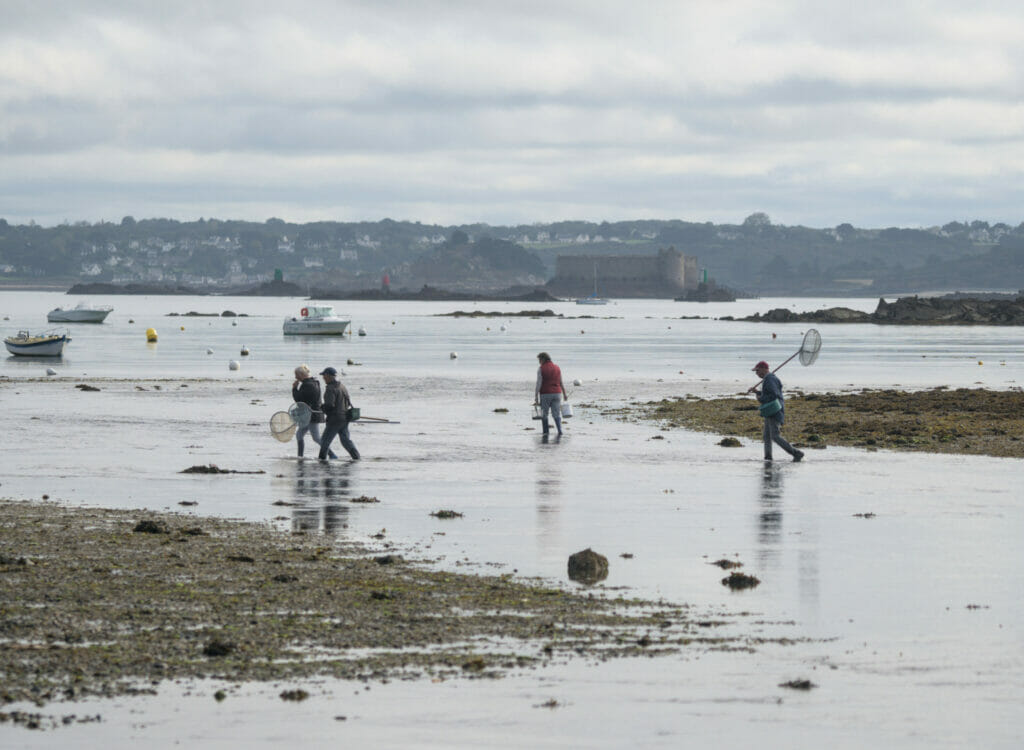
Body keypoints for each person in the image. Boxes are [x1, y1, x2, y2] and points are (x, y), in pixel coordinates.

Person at [751, 360, 804, 462]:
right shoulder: (769, 378)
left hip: (774, 410)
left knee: (775, 436)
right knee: (766, 436)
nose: (756, 373)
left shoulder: (770, 379)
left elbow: (773, 395)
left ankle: (796, 453)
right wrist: (757, 392)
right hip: (769, 411)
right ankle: (768, 458)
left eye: (757, 371)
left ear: (764, 369)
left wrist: (760, 398)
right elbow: (769, 393)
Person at [292, 364, 335, 459]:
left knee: (316, 438)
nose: (295, 377)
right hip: (309, 415)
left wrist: (294, 388)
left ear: (302, 375)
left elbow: (299, 400)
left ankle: (332, 454)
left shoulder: (308, 385)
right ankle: (300, 456)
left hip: (312, 415)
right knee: (299, 435)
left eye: (296, 375)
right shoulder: (313, 382)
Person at [318, 367, 361, 460]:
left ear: (329, 376)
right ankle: (357, 458)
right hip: (345, 418)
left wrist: (322, 407)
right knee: (345, 441)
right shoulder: (342, 386)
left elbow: (329, 405)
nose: (323, 378)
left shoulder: (330, 388)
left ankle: (321, 461)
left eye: (324, 376)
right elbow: (348, 402)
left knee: (325, 441)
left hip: (334, 419)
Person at [534, 352, 568, 437]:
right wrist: (564, 394)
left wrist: (536, 396)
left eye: (539, 360)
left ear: (543, 359)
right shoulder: (557, 368)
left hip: (545, 393)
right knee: (556, 414)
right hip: (557, 393)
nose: (539, 362)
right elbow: (561, 382)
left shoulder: (541, 369)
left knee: (544, 414)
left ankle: (546, 432)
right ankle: (560, 431)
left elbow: (539, 383)